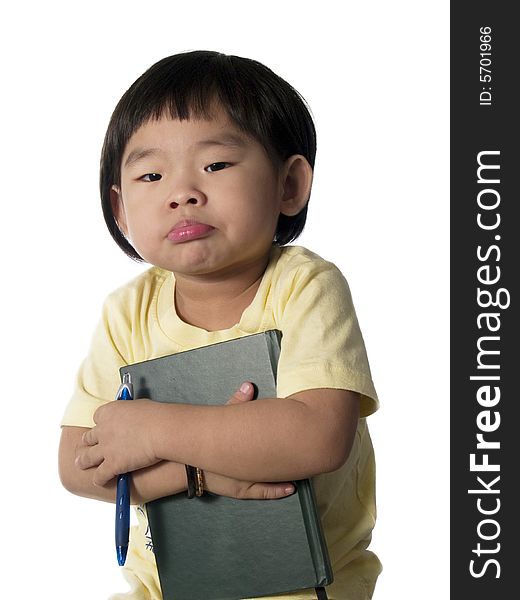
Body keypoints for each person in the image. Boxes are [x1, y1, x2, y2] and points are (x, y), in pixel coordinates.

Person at [58, 50, 381, 600]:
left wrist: (151, 430)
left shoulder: (304, 287)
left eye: (216, 165)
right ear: (121, 209)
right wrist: (199, 475)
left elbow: (318, 436)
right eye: (151, 174)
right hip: (162, 588)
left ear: (289, 185)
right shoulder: (126, 312)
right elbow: (78, 464)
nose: (182, 193)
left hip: (304, 590)